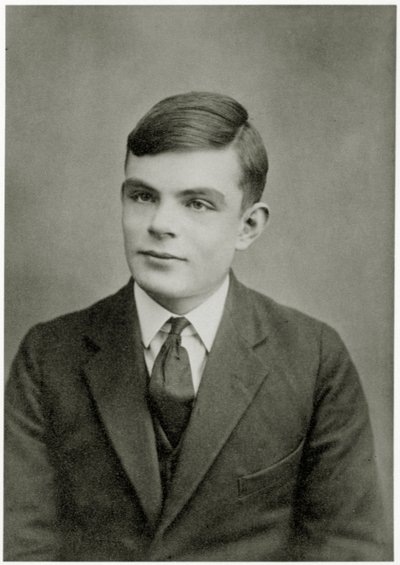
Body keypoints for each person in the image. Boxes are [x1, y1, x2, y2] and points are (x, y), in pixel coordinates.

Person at [4, 91, 388, 561]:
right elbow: (21, 548)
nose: (160, 224)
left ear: (248, 227)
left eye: (198, 204)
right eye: (143, 196)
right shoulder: (48, 355)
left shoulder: (313, 358)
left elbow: (348, 550)